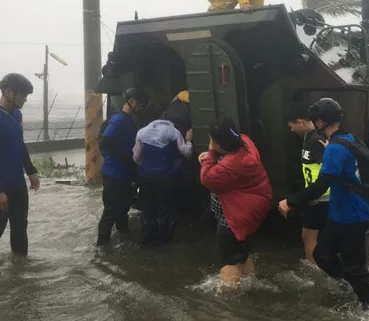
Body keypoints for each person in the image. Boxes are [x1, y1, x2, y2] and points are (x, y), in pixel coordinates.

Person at [278, 99, 369, 311]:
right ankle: (349, 286)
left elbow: (320, 186)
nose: (314, 125)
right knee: (322, 254)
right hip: (339, 215)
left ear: (321, 121)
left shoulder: (335, 149)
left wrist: (290, 201)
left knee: (356, 267)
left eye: (315, 121)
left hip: (352, 216)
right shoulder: (346, 139)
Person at [199, 119, 272, 289]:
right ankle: (250, 286)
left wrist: (209, 155)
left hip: (234, 220)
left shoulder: (233, 163)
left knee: (230, 260)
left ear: (219, 144)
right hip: (248, 214)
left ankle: (231, 307)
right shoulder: (244, 143)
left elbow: (207, 179)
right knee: (243, 254)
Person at [0, 73, 40, 269]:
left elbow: (19, 145)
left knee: (20, 228)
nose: (25, 99)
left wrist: (31, 170)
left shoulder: (16, 115)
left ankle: (20, 273)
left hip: (18, 184)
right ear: (8, 92)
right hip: (0, 187)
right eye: (22, 95)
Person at [97, 88, 149, 246]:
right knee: (111, 211)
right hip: (114, 174)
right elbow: (106, 141)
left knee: (123, 208)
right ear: (131, 101)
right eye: (140, 104)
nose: (142, 108)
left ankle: (124, 237)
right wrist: (123, 157)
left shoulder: (129, 120)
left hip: (124, 173)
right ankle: (102, 245)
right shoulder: (119, 120)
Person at [133, 118, 194, 246]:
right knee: (166, 209)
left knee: (149, 209)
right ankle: (165, 241)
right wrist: (188, 140)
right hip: (166, 178)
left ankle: (148, 240)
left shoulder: (141, 133)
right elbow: (186, 152)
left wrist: (147, 166)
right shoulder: (173, 132)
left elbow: (136, 157)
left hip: (146, 178)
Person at [286, 107, 329, 264]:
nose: (291, 130)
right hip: (318, 194)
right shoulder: (311, 137)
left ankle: (315, 269)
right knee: (314, 234)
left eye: (292, 126)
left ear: (301, 122)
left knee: (309, 235)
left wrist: (311, 195)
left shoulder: (315, 140)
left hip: (320, 196)